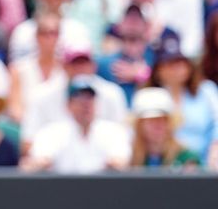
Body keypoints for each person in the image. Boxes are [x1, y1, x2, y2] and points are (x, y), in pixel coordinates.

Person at [26, 77, 132, 173]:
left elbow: (121, 161)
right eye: (80, 99)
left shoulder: (114, 132)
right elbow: (38, 160)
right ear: (68, 105)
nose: (86, 105)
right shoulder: (50, 132)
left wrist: (115, 163)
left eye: (90, 99)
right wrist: (40, 163)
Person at [147, 30, 218, 167]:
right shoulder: (150, 96)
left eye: (181, 62)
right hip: (166, 166)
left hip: (206, 163)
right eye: (170, 64)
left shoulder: (207, 91)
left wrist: (215, 148)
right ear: (158, 70)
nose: (178, 68)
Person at [129, 86, 203, 170]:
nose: (157, 125)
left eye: (163, 119)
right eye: (151, 121)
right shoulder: (129, 158)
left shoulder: (187, 158)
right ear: (139, 125)